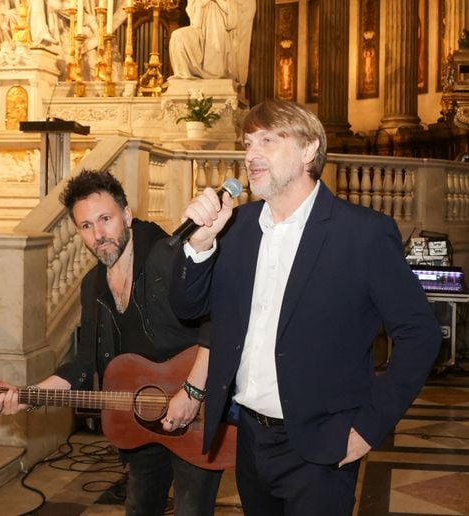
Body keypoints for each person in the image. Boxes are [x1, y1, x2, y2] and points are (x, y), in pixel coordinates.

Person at [168, 99, 442, 515]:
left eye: (268, 140)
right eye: (247, 143)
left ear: (310, 149)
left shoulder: (362, 233)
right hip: (250, 440)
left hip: (321, 448)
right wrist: (200, 245)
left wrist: (369, 428)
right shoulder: (236, 229)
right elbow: (188, 310)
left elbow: (419, 335)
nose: (251, 154)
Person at [0, 170, 222, 516]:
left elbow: (218, 324)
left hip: (197, 409)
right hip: (143, 417)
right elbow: (84, 364)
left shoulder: (167, 255)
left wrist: (192, 393)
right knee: (140, 507)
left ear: (126, 215)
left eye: (106, 219)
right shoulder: (92, 286)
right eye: (86, 226)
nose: (99, 234)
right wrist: (27, 396)